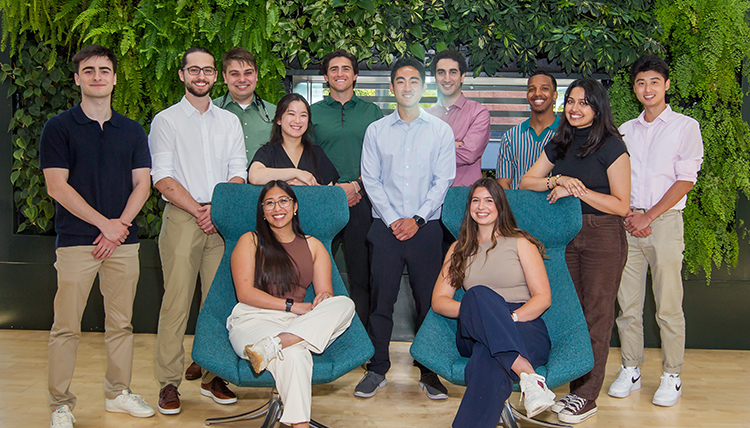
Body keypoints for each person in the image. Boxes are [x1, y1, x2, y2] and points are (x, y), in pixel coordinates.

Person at [41, 44, 154, 428]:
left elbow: (143, 185)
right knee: (66, 327)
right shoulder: (58, 128)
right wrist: (104, 224)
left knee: (121, 325)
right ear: (77, 79)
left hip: (123, 241)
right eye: (88, 71)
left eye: (104, 70)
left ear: (115, 78)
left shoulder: (133, 130)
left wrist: (118, 225)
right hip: (76, 242)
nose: (97, 77)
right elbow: (57, 186)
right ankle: (60, 404)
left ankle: (117, 393)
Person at [519, 78, 631, 424]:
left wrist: (577, 190)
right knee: (567, 315)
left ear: (598, 108)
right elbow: (527, 181)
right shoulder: (561, 141)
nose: (575, 109)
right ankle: (566, 387)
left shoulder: (613, 146)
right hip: (564, 235)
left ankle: (585, 396)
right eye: (571, 102)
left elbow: (621, 205)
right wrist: (557, 180)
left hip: (602, 236)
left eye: (584, 103)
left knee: (596, 317)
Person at [149, 46, 247, 415]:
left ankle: (212, 376)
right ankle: (169, 383)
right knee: (175, 303)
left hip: (220, 220)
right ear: (182, 75)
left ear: (215, 76)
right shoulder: (166, 121)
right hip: (182, 218)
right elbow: (162, 176)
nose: (201, 76)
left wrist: (216, 210)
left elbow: (239, 169)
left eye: (207, 70)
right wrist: (198, 209)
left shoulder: (229, 122)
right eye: (194, 70)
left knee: (218, 304)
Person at [356, 57, 456, 400]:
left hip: (426, 227)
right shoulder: (376, 130)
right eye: (401, 81)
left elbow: (444, 179)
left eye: (414, 81)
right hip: (385, 226)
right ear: (391, 87)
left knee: (428, 302)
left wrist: (416, 219)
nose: (408, 86)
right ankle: (377, 368)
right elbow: (370, 178)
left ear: (423, 87)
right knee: (380, 301)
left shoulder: (440, 130)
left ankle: (430, 373)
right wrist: (393, 218)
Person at [608, 55, 703, 407]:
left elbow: (685, 179)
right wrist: (631, 215)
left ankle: (671, 374)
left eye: (653, 82)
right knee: (627, 303)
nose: (647, 88)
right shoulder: (626, 131)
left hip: (663, 223)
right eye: (640, 83)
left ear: (666, 85)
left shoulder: (684, 127)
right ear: (634, 89)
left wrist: (649, 217)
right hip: (628, 221)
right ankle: (631, 368)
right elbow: (617, 177)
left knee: (667, 304)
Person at [227, 181, 355, 428]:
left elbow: (325, 292)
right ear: (262, 211)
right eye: (270, 202)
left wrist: (324, 299)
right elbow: (244, 293)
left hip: (296, 325)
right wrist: (291, 306)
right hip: (253, 319)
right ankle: (300, 424)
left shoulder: (314, 246)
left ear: (295, 207)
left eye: (283, 200)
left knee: (345, 305)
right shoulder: (250, 241)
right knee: (295, 354)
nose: (277, 207)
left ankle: (275, 344)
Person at [432, 178, 555, 427]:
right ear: (469, 208)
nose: (481, 206)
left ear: (500, 205)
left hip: (522, 323)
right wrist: (476, 313)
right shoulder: (459, 249)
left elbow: (543, 297)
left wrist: (505, 319)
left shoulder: (521, 243)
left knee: (487, 360)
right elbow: (439, 301)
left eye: (489, 200)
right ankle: (528, 374)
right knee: (478, 294)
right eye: (475, 200)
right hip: (474, 324)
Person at [310, 48, 383, 328]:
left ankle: (363, 340)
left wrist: (356, 186)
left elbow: (380, 158)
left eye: (345, 68)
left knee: (360, 273)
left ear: (355, 75)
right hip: (323, 200)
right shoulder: (313, 112)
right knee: (315, 269)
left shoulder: (371, 111)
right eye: (333, 69)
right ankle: (317, 334)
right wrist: (333, 188)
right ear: (326, 77)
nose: (339, 73)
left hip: (362, 199)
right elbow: (306, 156)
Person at [426, 49, 490, 187]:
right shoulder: (425, 117)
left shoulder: (478, 113)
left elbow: (468, 154)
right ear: (435, 77)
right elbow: (414, 154)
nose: (447, 78)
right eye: (441, 72)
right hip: (429, 199)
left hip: (463, 199)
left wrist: (431, 148)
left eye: (453, 72)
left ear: (462, 77)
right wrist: (453, 144)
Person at [248, 93, 339, 186]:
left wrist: (307, 187)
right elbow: (254, 177)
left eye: (303, 115)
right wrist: (296, 173)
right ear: (279, 119)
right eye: (291, 114)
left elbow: (329, 192)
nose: (297, 121)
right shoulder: (268, 151)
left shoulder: (316, 153)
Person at [496, 71, 559, 190]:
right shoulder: (511, 137)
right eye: (532, 89)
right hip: (518, 206)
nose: (537, 93)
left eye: (544, 88)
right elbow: (503, 183)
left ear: (555, 95)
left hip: (556, 206)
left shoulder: (567, 134)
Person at [214, 47, 277, 163]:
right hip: (221, 181)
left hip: (264, 181)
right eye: (235, 74)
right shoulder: (210, 110)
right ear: (224, 77)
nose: (242, 79)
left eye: (248, 73)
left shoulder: (275, 113)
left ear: (256, 75)